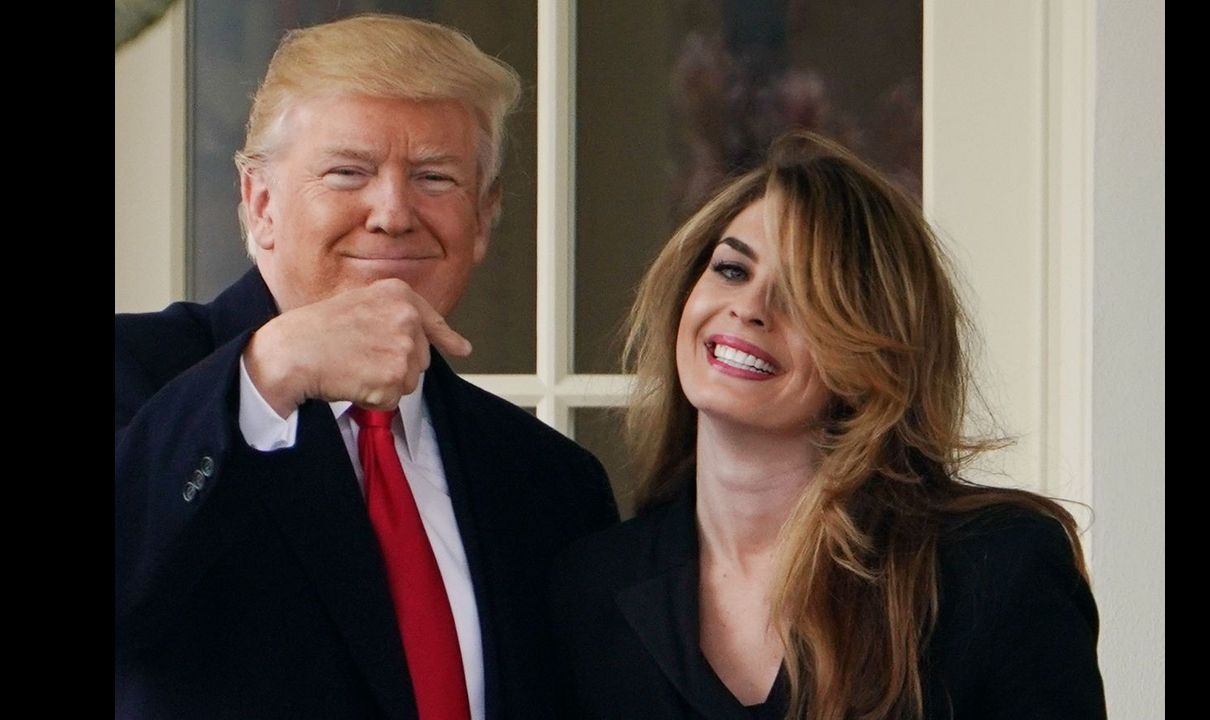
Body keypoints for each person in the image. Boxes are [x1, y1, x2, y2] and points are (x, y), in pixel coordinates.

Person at [115, 15, 619, 720]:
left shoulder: (552, 483)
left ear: (483, 218)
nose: (393, 213)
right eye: (347, 173)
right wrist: (269, 371)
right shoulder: (139, 378)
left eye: (435, 177)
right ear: (260, 203)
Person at [548, 130, 1106, 719]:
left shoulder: (995, 569)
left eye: (803, 294)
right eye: (733, 270)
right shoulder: (592, 587)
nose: (750, 308)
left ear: (872, 351)